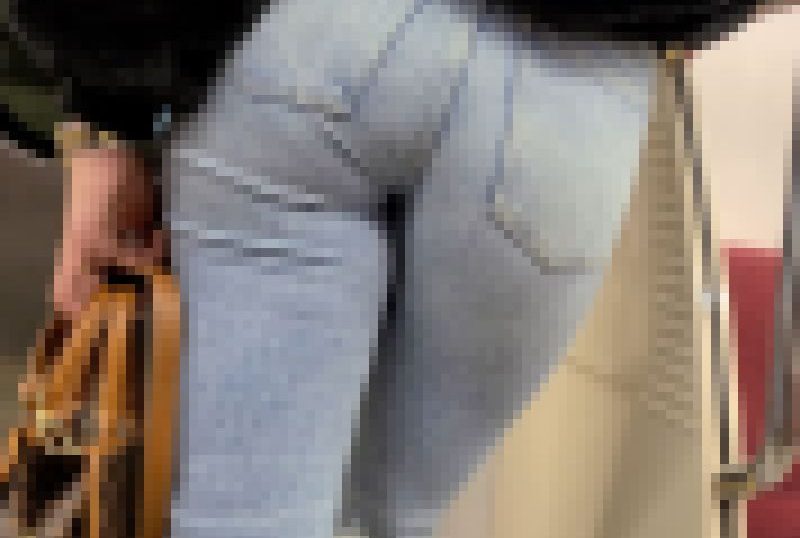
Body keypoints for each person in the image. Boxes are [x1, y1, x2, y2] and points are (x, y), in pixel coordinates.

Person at [38, 0, 765, 536]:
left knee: (244, 520)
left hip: (310, 46)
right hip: (568, 97)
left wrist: (106, 116)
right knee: (392, 520)